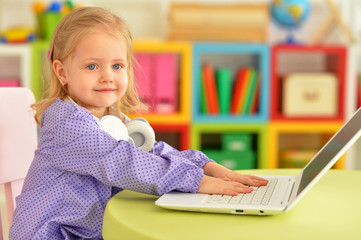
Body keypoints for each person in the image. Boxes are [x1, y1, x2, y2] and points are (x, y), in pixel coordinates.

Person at [9, 7, 268, 240]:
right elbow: (122, 160)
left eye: (117, 65)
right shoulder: (66, 122)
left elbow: (150, 152)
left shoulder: (111, 118)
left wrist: (207, 166)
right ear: (62, 72)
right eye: (91, 66)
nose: (107, 76)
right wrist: (195, 181)